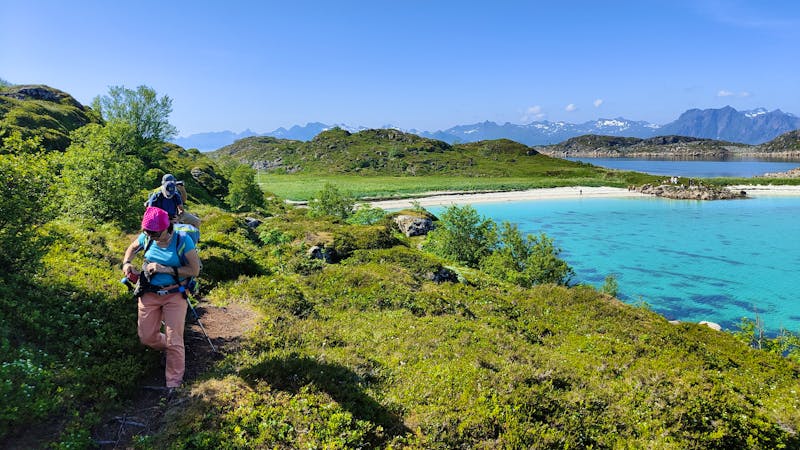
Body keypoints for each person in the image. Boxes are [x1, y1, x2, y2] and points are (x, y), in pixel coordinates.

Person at [122, 206, 201, 390]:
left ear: (167, 227)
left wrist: (163, 268)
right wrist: (127, 263)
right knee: (147, 337)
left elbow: (194, 270)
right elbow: (133, 247)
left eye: (156, 233)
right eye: (148, 232)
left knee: (175, 340)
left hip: (175, 294)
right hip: (149, 292)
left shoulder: (183, 241)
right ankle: (173, 348)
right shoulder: (147, 237)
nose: (152, 236)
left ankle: (173, 384)